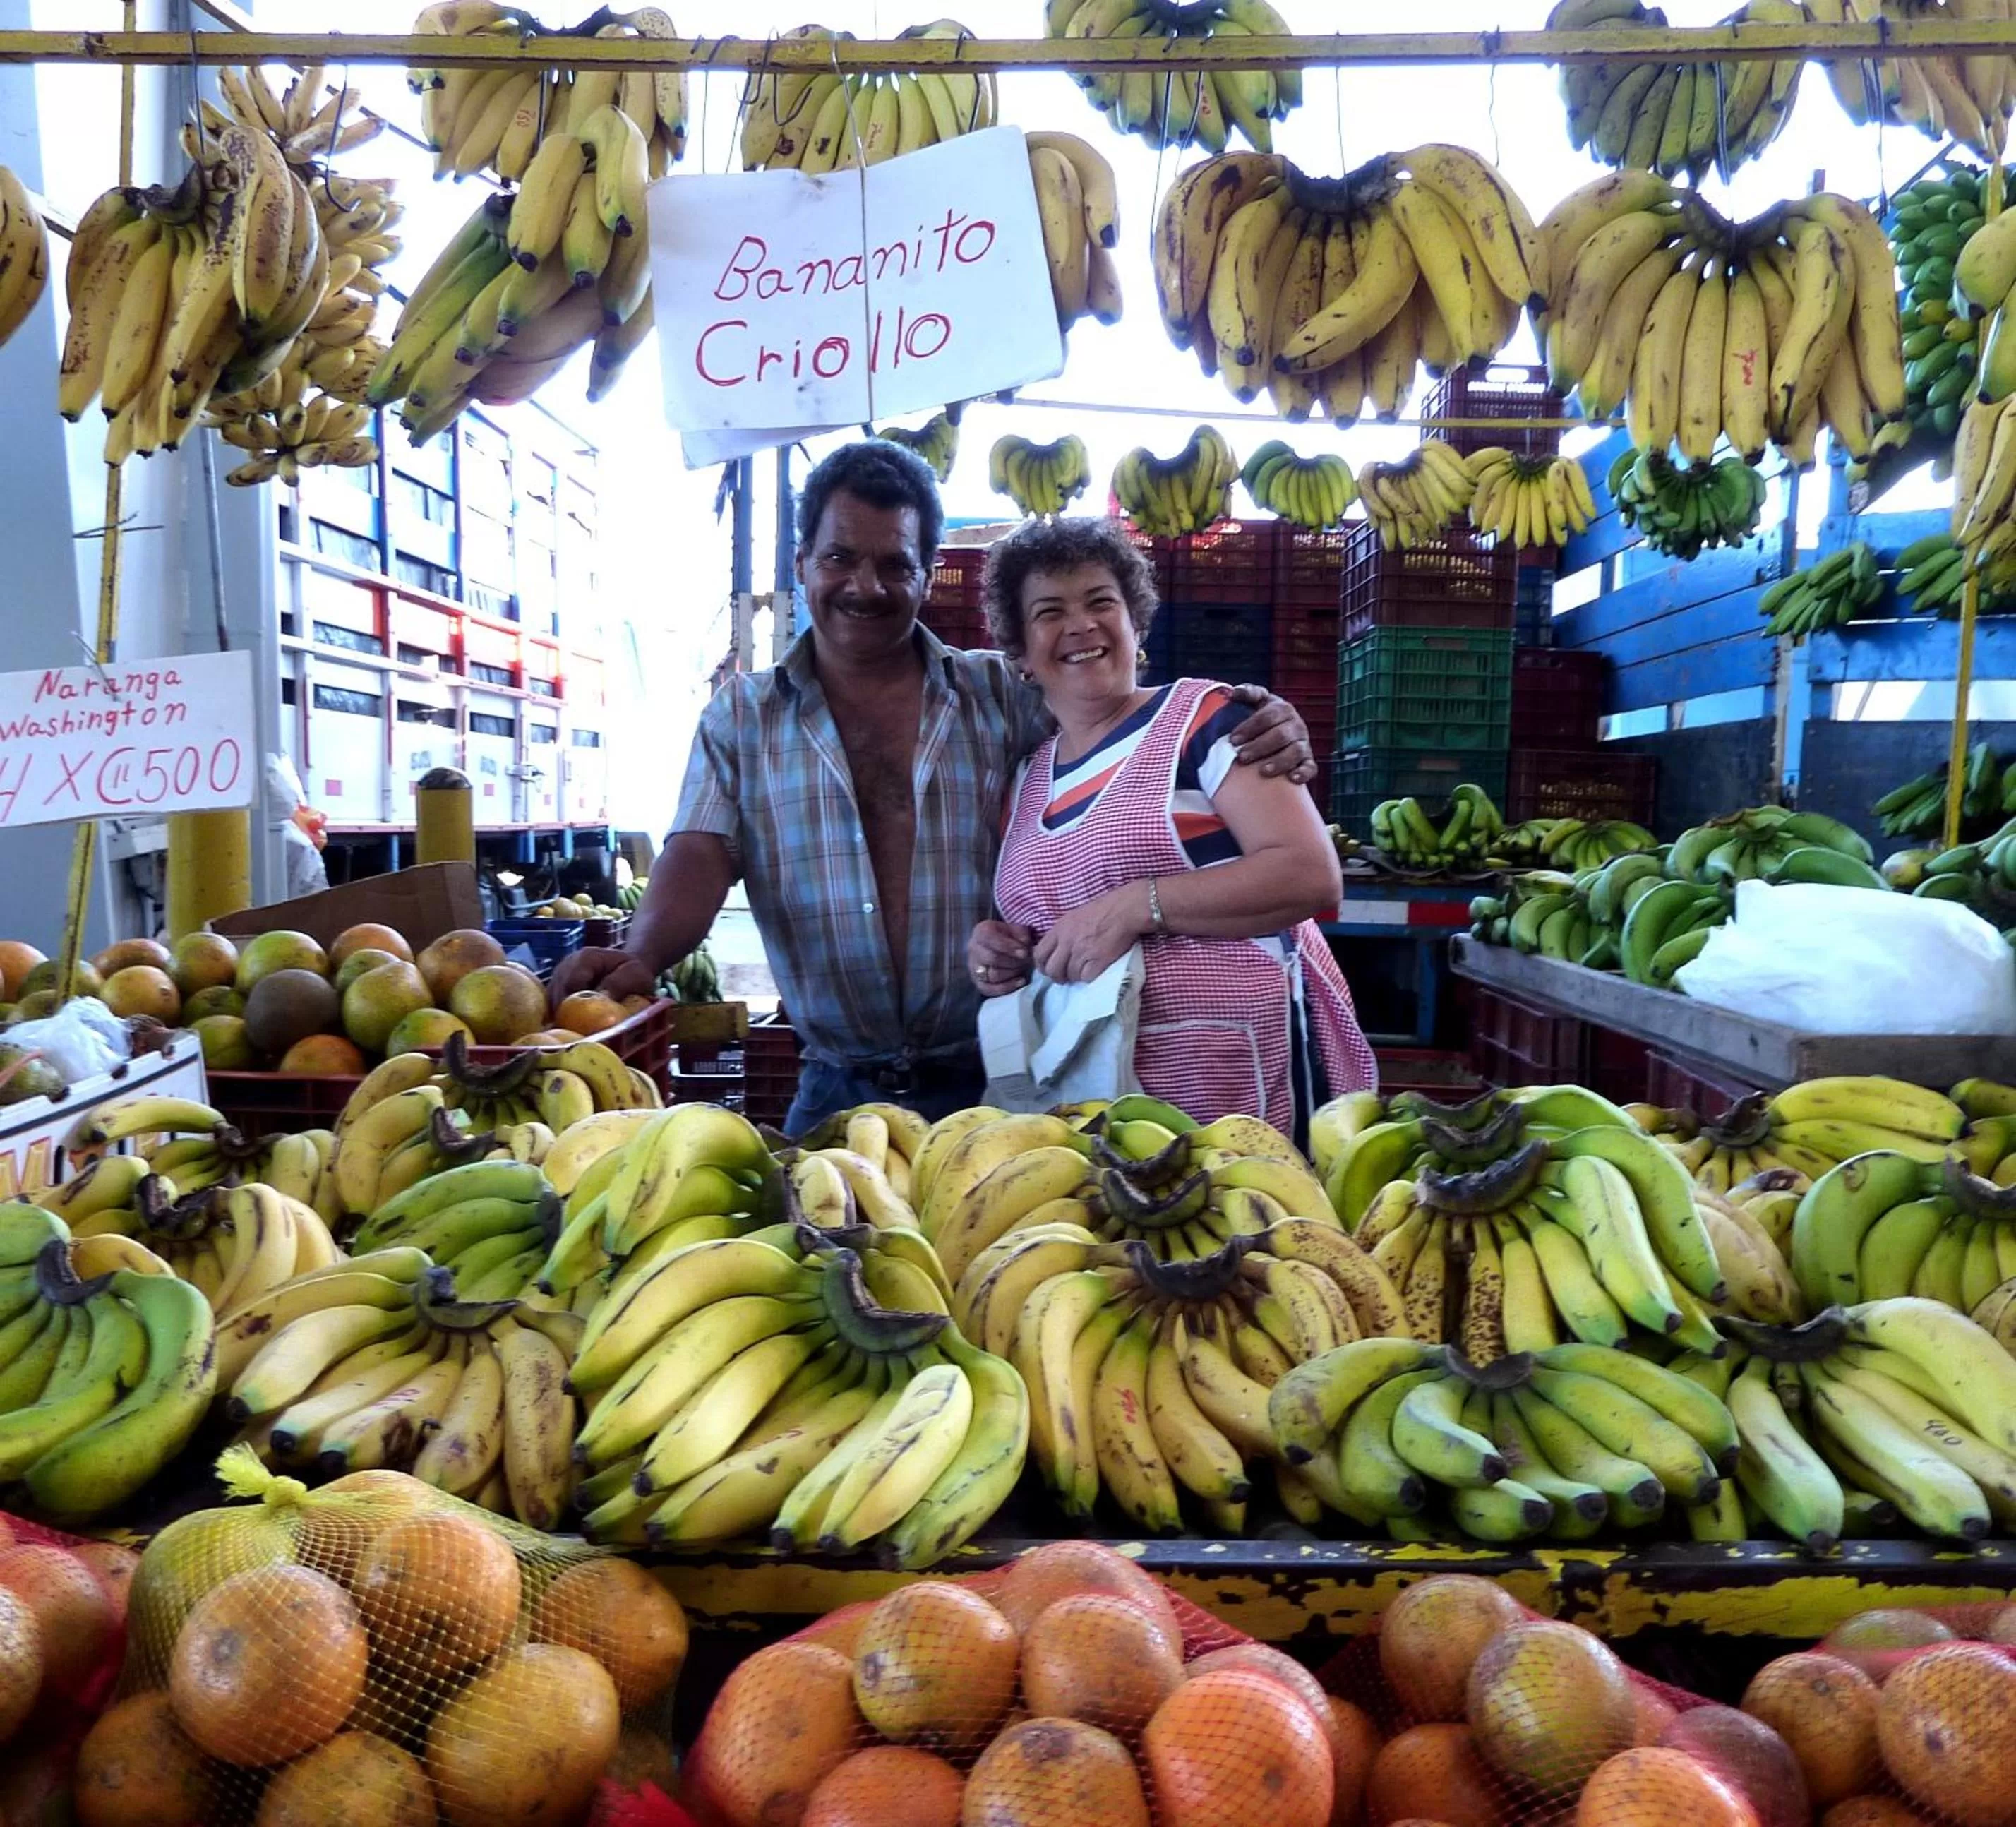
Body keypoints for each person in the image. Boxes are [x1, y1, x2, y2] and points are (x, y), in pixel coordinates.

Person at [551, 440, 1316, 1134]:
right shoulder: (742, 717)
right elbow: (699, 849)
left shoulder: (999, 692)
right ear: (801, 563)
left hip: (994, 1072)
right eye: (839, 558)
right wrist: (644, 953)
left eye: (895, 564)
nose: (865, 585)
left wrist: (1250, 714)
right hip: (833, 1082)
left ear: (927, 573)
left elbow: (1113, 715)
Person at [966, 517, 1375, 1133]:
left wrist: (1137, 905)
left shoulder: (1206, 721)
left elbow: (1310, 876)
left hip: (1237, 1083)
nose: (1081, 624)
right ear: (1022, 655)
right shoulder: (1027, 779)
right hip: (1093, 1098)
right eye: (1050, 612)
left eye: (1101, 602)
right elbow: (1052, 928)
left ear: (1136, 624)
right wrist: (998, 953)